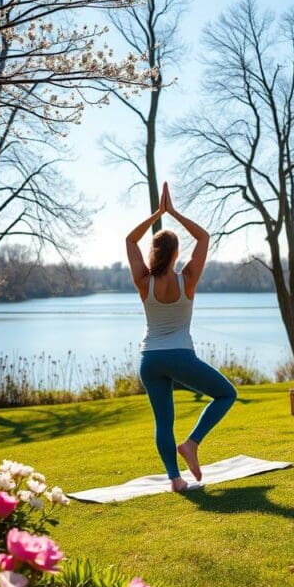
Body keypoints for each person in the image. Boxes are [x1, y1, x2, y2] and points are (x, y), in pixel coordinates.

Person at [126, 182, 237, 492]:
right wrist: (173, 212)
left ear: (154, 253)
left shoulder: (143, 281)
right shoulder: (187, 279)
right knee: (226, 394)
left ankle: (175, 479)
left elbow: (129, 239)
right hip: (179, 356)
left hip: (149, 360)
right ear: (176, 253)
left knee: (164, 422)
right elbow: (203, 237)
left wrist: (157, 215)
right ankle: (191, 444)